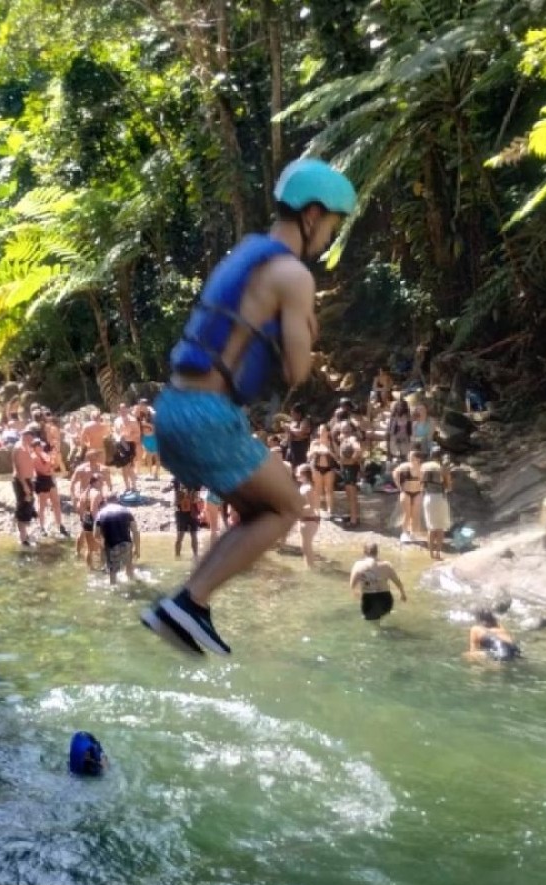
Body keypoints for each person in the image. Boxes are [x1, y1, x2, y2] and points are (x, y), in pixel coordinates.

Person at [141, 158, 357, 656]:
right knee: (287, 508)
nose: (328, 238)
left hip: (172, 409)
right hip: (207, 417)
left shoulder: (247, 255)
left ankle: (188, 607)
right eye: (331, 226)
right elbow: (297, 370)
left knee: (258, 507)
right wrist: (307, 329)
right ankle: (189, 604)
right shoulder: (292, 274)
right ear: (313, 214)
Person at [348, 542, 407, 621]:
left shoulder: (358, 565)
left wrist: (356, 594)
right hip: (386, 599)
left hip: (369, 599)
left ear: (364, 552)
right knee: (382, 617)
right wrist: (402, 594)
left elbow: (352, 585)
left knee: (374, 623)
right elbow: (398, 582)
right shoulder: (386, 565)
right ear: (377, 552)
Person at [95, 493, 141, 584]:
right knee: (129, 566)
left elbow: (96, 534)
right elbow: (135, 531)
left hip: (111, 545)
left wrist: (103, 547)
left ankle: (113, 588)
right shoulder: (126, 511)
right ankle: (132, 584)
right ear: (117, 500)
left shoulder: (100, 513)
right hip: (127, 543)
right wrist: (137, 548)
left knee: (112, 571)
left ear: (106, 501)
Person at [419, 446, 452, 560]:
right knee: (440, 527)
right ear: (441, 456)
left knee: (431, 527)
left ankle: (431, 554)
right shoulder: (443, 468)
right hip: (439, 498)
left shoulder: (423, 466)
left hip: (427, 498)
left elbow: (421, 483)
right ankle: (438, 553)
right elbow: (448, 485)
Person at [12, 427, 38, 546]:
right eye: (29, 437)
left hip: (28, 480)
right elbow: (18, 469)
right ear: (24, 436)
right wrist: (24, 485)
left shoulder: (27, 447)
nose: (31, 439)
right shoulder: (19, 448)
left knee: (28, 504)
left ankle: (25, 533)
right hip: (21, 480)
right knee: (23, 506)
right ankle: (23, 537)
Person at [393, 447, 425, 543]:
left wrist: (423, 487)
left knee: (415, 514)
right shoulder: (405, 465)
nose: (409, 457)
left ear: (418, 458)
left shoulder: (422, 467)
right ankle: (404, 533)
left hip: (418, 492)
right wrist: (398, 486)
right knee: (407, 514)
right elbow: (394, 473)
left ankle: (414, 533)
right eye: (409, 456)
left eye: (411, 456)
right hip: (406, 491)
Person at [307, 423, 339, 517]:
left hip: (329, 468)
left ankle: (330, 511)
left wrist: (329, 452)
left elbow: (337, 457)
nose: (321, 432)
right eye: (320, 430)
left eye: (323, 430)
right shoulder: (315, 442)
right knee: (317, 490)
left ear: (328, 432)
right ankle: (317, 510)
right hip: (317, 468)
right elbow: (308, 456)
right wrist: (315, 451)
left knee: (329, 490)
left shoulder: (332, 443)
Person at [295, 464, 321, 568]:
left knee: (306, 546)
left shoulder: (308, 488)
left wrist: (297, 512)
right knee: (304, 547)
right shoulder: (304, 486)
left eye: (298, 472)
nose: (296, 474)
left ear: (304, 474)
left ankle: (311, 568)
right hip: (304, 519)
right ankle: (308, 567)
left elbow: (312, 506)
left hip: (309, 520)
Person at [170, 477, 202, 561]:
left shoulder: (195, 479)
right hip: (181, 512)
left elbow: (197, 496)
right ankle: (177, 557)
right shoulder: (177, 479)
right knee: (180, 535)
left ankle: (195, 556)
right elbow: (176, 498)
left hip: (192, 511)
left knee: (194, 535)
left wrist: (190, 495)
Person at [77, 474, 105, 568]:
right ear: (96, 482)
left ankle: (90, 569)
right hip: (94, 521)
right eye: (101, 480)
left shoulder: (86, 492)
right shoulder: (96, 493)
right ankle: (102, 565)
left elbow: (79, 507)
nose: (102, 483)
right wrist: (99, 524)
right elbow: (93, 510)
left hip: (86, 519)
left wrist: (82, 518)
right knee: (102, 545)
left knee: (90, 548)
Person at [284, 403, 312, 469]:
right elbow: (290, 434)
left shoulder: (305, 420)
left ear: (299, 413)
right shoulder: (293, 421)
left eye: (293, 414)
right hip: (292, 447)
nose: (292, 415)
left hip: (300, 447)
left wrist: (289, 428)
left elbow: (301, 433)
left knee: (299, 467)